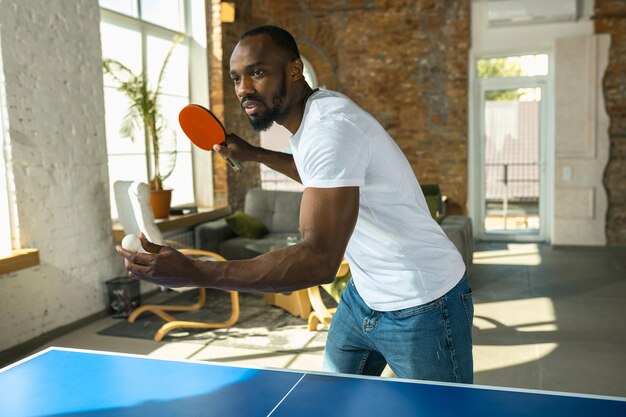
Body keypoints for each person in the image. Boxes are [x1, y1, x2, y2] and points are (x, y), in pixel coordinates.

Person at [117, 25, 474, 383]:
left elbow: (318, 260)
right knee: (332, 401)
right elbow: (321, 175)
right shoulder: (313, 113)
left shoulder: (331, 129)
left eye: (257, 72)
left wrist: (196, 272)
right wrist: (255, 153)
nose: (243, 89)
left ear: (293, 69)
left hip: (423, 302)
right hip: (365, 293)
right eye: (236, 78)